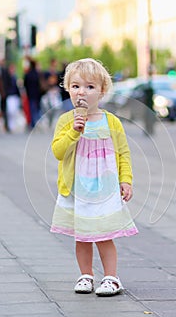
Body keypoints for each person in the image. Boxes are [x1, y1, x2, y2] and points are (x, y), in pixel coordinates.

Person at [50, 58, 138, 296]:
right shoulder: (66, 121)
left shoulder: (112, 122)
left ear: (101, 92)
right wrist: (73, 132)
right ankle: (86, 275)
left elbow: (123, 153)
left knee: (104, 234)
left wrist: (126, 180)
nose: (82, 92)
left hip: (104, 188)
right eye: (76, 86)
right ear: (68, 89)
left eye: (90, 87)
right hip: (78, 188)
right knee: (82, 236)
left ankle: (111, 277)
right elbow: (58, 152)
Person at [23, 59, 41, 129]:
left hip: (30, 94)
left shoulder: (28, 74)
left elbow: (25, 84)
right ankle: (35, 122)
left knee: (32, 108)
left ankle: (33, 123)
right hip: (37, 94)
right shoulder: (37, 74)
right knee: (36, 108)